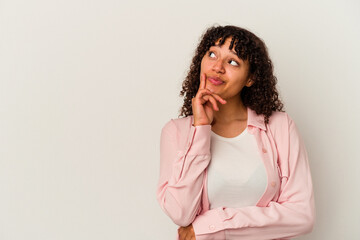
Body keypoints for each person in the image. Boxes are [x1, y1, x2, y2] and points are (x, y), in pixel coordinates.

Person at [156, 25, 315, 240]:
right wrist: (201, 129)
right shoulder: (176, 131)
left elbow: (302, 215)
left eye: (233, 61)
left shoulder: (280, 127)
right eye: (212, 54)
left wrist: (213, 226)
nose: (217, 67)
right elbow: (181, 213)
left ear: (250, 79)